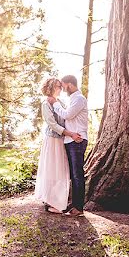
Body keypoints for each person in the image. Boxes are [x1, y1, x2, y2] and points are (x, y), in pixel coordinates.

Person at [35, 77, 83, 214]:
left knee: (62, 171)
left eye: (60, 86)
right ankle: (50, 201)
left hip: (62, 140)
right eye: (57, 86)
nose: (60, 88)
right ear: (50, 87)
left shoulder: (60, 102)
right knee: (52, 170)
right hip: (52, 140)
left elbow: (67, 117)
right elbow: (52, 124)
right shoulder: (46, 103)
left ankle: (59, 200)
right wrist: (69, 133)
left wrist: (73, 132)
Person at [49, 74, 88, 216]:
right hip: (71, 140)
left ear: (70, 84)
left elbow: (67, 115)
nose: (64, 90)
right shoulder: (73, 99)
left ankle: (79, 208)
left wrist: (55, 103)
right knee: (72, 174)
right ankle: (74, 204)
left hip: (77, 141)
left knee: (77, 174)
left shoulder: (79, 99)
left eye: (64, 86)